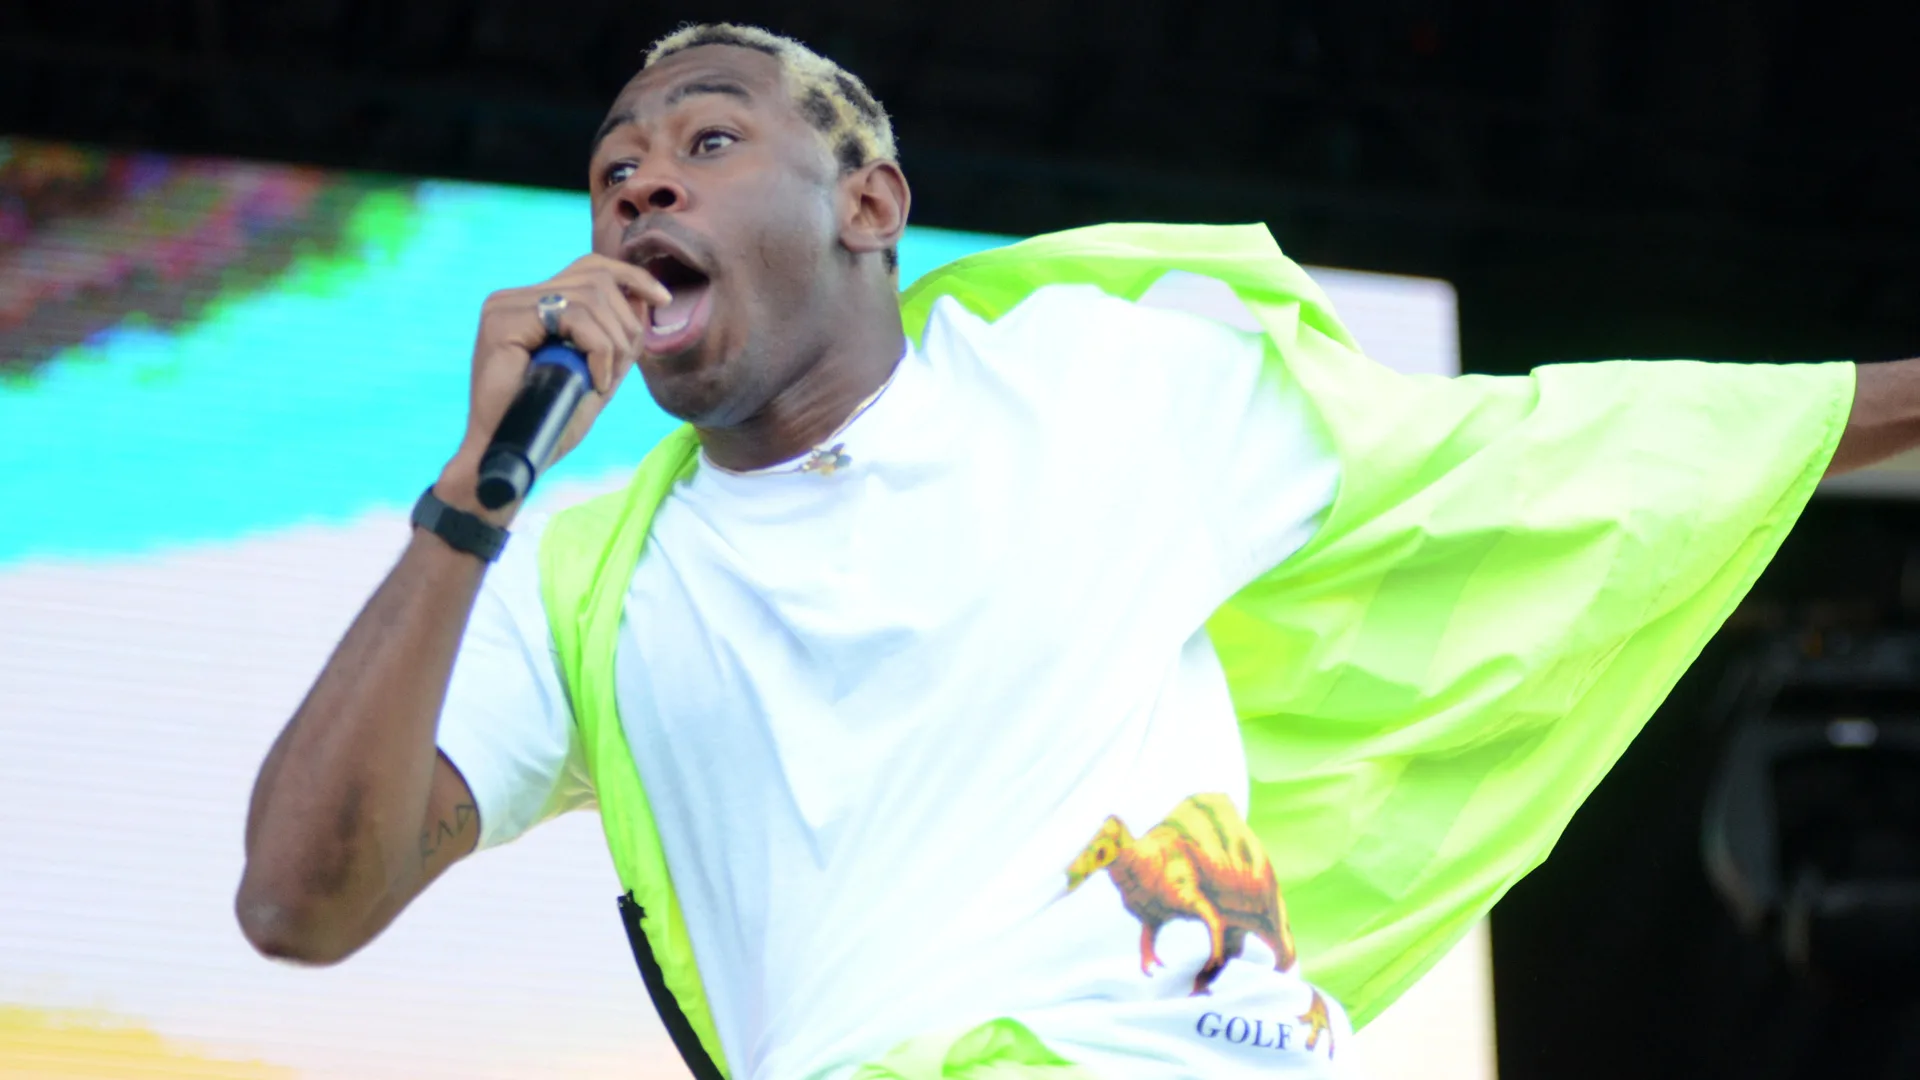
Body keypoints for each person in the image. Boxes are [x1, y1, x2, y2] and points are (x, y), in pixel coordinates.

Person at [234, 22, 1920, 1080]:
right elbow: (301, 906)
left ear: (870, 206)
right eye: (612, 173)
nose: (639, 191)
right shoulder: (584, 583)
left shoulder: (1107, 387)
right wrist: (473, 487)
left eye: (706, 141)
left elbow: (1567, 454)